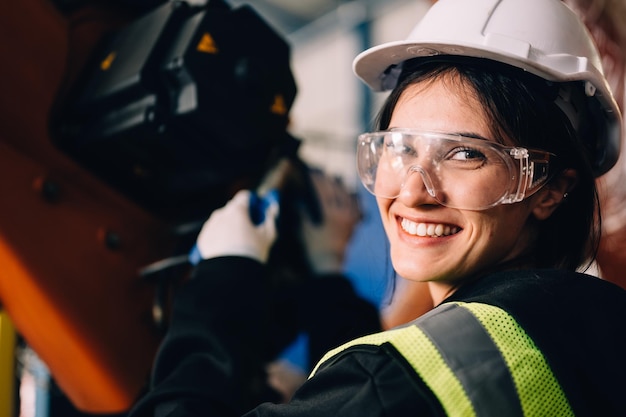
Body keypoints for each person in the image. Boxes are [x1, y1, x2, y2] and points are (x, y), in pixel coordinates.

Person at [128, 0, 626, 415]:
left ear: (549, 189)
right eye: (401, 147)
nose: (413, 192)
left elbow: (390, 384)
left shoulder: (391, 381)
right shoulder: (593, 332)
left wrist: (223, 279)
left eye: (464, 153)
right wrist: (329, 280)